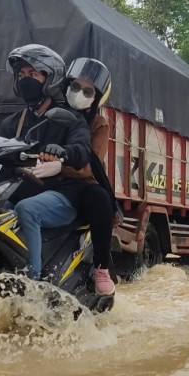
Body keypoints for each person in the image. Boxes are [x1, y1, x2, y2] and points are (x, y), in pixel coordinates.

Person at [0, 44, 93, 281]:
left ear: (50, 78)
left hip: (62, 194)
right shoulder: (12, 123)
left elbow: (82, 152)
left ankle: (33, 280)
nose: (25, 80)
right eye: (21, 75)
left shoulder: (69, 117)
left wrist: (63, 151)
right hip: (22, 190)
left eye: (32, 74)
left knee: (27, 209)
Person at [63, 57, 121, 295]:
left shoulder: (98, 124)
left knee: (99, 198)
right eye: (75, 87)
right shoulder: (48, 111)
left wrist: (56, 165)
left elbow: (89, 165)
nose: (79, 93)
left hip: (78, 183)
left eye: (87, 91)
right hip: (41, 179)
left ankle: (101, 268)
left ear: (95, 98)